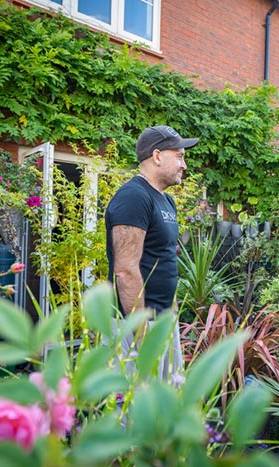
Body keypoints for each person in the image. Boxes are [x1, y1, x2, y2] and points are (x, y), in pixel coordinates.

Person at [105, 125, 199, 382]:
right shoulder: (133, 197)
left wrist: (172, 313)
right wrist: (142, 335)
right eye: (179, 156)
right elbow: (125, 270)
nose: (184, 165)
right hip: (136, 327)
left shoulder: (165, 200)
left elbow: (165, 258)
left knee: (165, 405)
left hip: (163, 321)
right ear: (157, 156)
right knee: (134, 413)